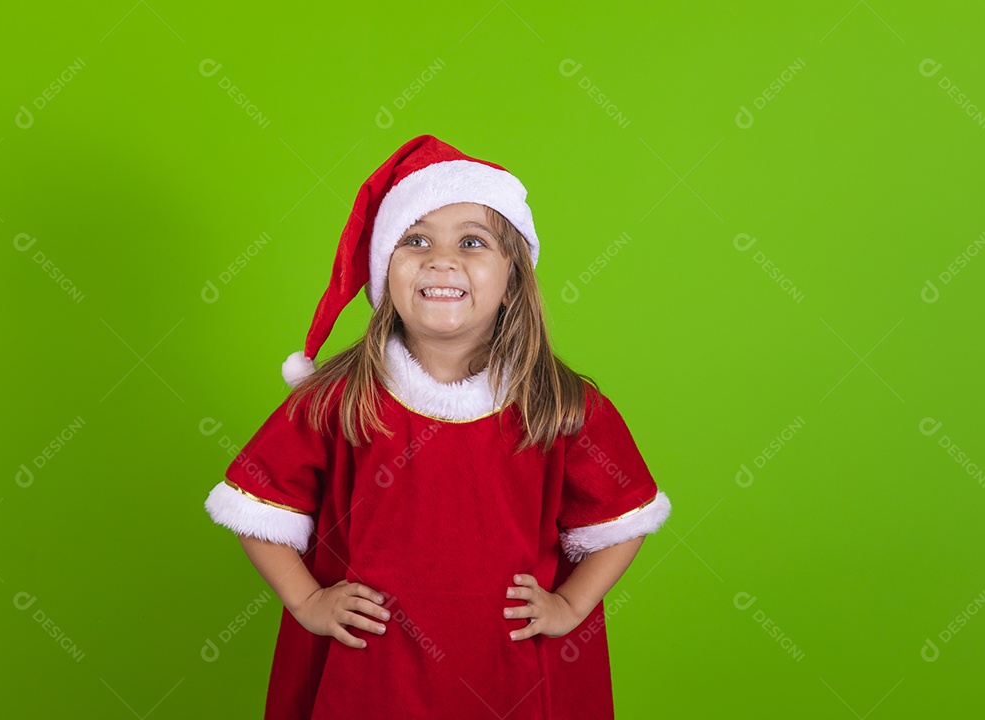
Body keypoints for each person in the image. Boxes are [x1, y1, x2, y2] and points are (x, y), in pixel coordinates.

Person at [203, 134, 672, 719]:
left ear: (513, 281)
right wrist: (307, 602)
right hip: (371, 676)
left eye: (472, 242)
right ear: (384, 272)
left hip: (510, 674)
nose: (440, 260)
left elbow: (622, 515)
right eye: (415, 240)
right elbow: (257, 502)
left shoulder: (561, 405)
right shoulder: (338, 401)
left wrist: (571, 607)